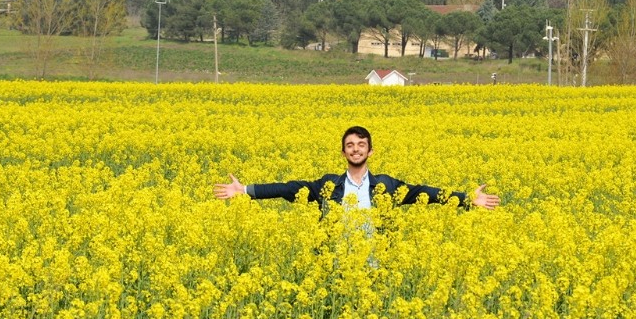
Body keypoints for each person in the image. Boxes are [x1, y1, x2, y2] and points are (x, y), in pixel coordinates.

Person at [213, 125, 500, 211]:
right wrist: (246, 191)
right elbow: (289, 189)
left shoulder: (387, 186)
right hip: (334, 263)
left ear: (370, 151)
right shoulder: (328, 186)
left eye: (361, 144)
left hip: (375, 265)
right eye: (350, 145)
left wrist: (467, 200)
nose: (356, 148)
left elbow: (423, 193)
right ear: (343, 152)